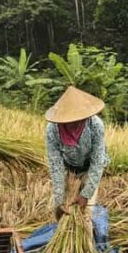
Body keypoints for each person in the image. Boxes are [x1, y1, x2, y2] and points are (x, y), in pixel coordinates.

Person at [45, 86, 109, 219]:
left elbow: (98, 162)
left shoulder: (95, 125)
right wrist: (59, 198)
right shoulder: (52, 130)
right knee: (62, 211)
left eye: (78, 119)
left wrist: (85, 194)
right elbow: (55, 164)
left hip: (89, 167)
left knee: (87, 214)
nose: (73, 123)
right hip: (69, 168)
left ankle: (87, 237)